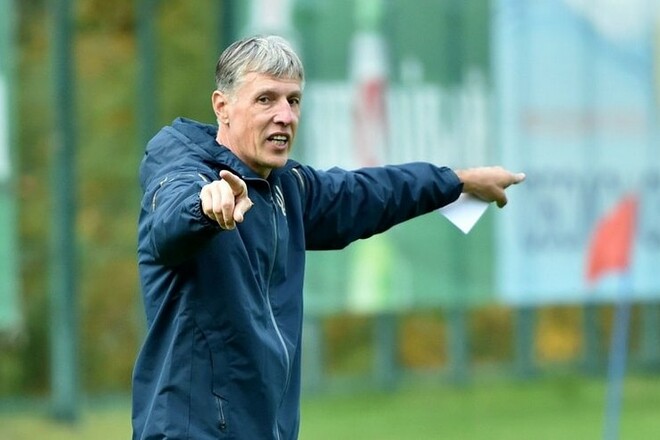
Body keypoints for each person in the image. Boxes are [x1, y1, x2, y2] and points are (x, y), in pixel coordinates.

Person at [132, 35, 525, 440]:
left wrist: (457, 182)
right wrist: (204, 210)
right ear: (222, 107)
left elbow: (371, 193)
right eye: (266, 99)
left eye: (293, 100)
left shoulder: (287, 188)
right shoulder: (185, 173)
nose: (285, 115)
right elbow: (169, 222)